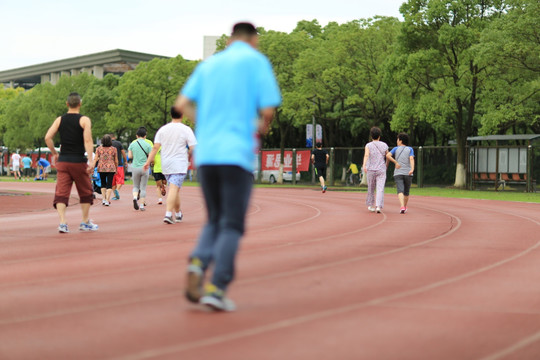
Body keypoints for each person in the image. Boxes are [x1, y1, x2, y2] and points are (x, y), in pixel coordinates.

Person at [175, 22, 281, 311]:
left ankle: (198, 263)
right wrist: (260, 126)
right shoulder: (256, 62)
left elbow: (181, 104)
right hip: (236, 154)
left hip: (207, 154)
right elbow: (268, 109)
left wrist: (205, 122)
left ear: (230, 40)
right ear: (254, 40)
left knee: (214, 218)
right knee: (232, 224)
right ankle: (217, 288)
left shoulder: (209, 65)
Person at [44, 92, 98, 233]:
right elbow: (87, 140)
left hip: (63, 161)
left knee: (61, 193)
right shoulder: (84, 120)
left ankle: (63, 223)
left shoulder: (59, 120)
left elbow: (48, 137)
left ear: (67, 104)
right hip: (78, 161)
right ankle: (85, 222)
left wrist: (55, 154)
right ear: (80, 103)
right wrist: (91, 161)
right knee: (86, 191)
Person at [144, 106, 197, 223]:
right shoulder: (186, 129)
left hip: (166, 164)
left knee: (174, 188)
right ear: (182, 115)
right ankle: (168, 214)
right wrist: (189, 155)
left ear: (171, 115)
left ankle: (178, 214)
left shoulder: (162, 130)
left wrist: (148, 162)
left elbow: (155, 147)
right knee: (173, 188)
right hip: (179, 164)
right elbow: (193, 147)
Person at [386, 132, 415, 214]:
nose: (397, 141)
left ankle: (402, 206)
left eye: (397, 139)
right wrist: (412, 169)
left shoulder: (395, 148)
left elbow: (388, 155)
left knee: (400, 190)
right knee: (406, 191)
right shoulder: (410, 149)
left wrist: (396, 162)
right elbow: (411, 159)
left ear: (400, 141)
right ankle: (404, 207)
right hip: (408, 173)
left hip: (398, 173)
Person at [362, 126, 388, 213]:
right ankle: (378, 206)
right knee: (380, 188)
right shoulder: (384, 145)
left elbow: (366, 155)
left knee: (371, 188)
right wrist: (386, 165)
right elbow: (387, 156)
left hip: (371, 169)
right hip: (381, 169)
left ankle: (370, 205)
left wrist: (364, 165)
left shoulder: (368, 145)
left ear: (371, 136)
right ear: (379, 136)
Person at [128, 127, 152, 211]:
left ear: (136, 136)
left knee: (135, 186)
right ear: (145, 136)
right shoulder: (148, 145)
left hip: (135, 167)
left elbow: (130, 156)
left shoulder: (132, 144)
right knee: (143, 187)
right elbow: (151, 158)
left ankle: (135, 197)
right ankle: (142, 205)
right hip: (145, 167)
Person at [94, 134, 118, 206]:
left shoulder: (98, 149)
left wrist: (93, 166)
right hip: (111, 167)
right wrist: (116, 168)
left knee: (103, 183)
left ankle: (103, 199)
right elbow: (116, 160)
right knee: (109, 184)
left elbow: (95, 159)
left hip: (101, 167)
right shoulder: (114, 149)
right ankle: (107, 200)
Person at [110, 134, 127, 200]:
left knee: (112, 181)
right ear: (114, 137)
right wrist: (125, 161)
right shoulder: (118, 143)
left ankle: (115, 195)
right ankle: (117, 190)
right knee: (120, 179)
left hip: (110, 165)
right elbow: (123, 153)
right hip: (119, 164)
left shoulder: (107, 144)